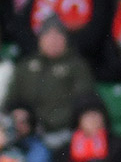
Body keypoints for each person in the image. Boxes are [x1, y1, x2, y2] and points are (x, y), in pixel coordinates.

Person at [3, 18, 95, 148]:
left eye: (58, 36)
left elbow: (83, 101)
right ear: (40, 39)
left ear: (66, 40)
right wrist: (19, 114)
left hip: (61, 132)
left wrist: (50, 123)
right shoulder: (25, 66)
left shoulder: (77, 67)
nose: (53, 40)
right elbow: (11, 100)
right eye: (48, 35)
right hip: (25, 132)